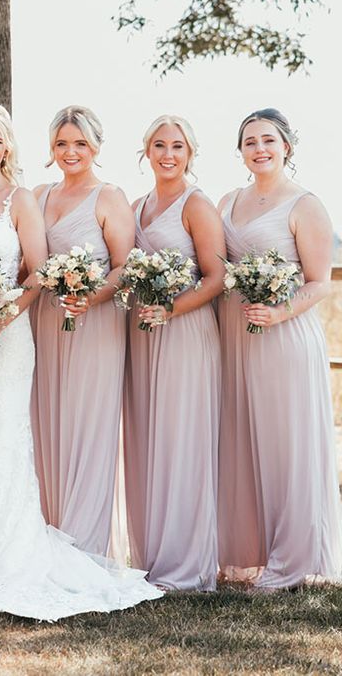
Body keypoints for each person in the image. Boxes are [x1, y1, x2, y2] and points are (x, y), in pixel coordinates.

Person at [0, 103, 162, 620]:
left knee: (6, 433)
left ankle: (12, 552)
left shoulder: (21, 201)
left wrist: (3, 315)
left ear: (8, 149)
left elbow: (38, 273)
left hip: (9, 336)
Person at [217, 108, 342, 588]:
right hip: (235, 336)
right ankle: (248, 553)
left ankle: (293, 559)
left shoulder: (305, 204)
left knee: (285, 442)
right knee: (243, 441)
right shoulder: (228, 200)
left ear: (287, 145)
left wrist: (279, 312)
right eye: (249, 141)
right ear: (241, 151)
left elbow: (320, 284)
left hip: (284, 336)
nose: (260, 149)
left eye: (268, 140)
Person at [123, 115, 224, 591]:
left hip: (184, 333)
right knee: (149, 439)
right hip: (143, 336)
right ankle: (152, 554)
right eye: (159, 145)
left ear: (190, 154)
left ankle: (186, 564)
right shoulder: (135, 204)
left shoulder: (196, 204)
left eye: (177, 146)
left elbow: (216, 277)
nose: (167, 154)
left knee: (182, 439)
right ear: (146, 152)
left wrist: (171, 309)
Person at [30, 106, 135, 556]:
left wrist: (91, 297)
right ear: (51, 149)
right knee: (48, 420)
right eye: (61, 144)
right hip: (46, 320)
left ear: (95, 146)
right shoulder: (37, 195)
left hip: (96, 321)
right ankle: (50, 534)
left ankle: (85, 548)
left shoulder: (109, 197)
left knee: (88, 424)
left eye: (79, 144)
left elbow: (124, 267)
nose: (70, 152)